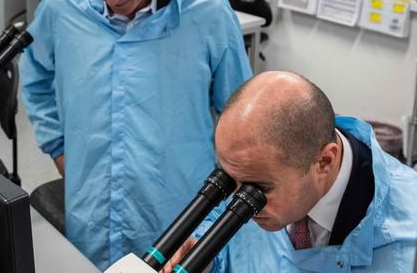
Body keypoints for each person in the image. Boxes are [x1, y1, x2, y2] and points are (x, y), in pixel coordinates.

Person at [19, 0, 252, 269]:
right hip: (92, 203)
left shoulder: (206, 12)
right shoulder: (61, 7)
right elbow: (34, 75)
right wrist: (57, 146)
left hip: (179, 205)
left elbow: (240, 111)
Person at [163, 71, 417, 273]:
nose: (239, 200)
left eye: (259, 190)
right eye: (230, 181)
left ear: (324, 162)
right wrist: (207, 262)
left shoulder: (408, 237)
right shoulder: (251, 170)